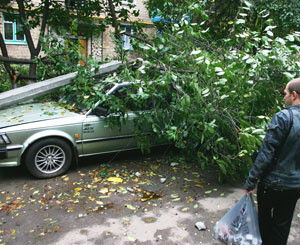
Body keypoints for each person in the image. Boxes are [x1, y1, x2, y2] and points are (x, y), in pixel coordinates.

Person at [244, 78, 300, 245]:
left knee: (265, 224)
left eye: (286, 94)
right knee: (282, 226)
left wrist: (250, 181)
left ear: (294, 95)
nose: (284, 98)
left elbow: (265, 154)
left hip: (272, 184)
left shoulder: (283, 117)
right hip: (295, 186)